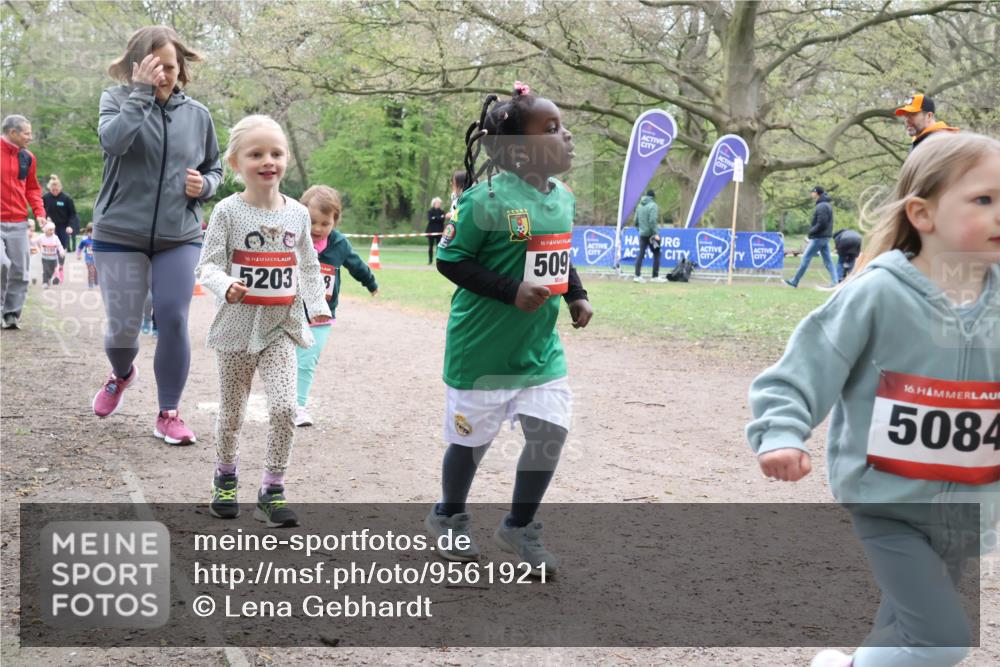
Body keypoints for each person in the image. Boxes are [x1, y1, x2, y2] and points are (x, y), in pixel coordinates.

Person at [747, 132, 1000, 667]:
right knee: (941, 639)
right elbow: (798, 373)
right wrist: (781, 432)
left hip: (965, 511)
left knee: (906, 629)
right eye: (984, 199)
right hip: (889, 504)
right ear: (922, 214)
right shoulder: (877, 293)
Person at [427, 82, 594, 573]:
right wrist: (510, 290)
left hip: (539, 351)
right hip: (482, 351)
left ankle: (519, 527)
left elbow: (557, 250)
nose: (566, 135)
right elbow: (450, 260)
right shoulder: (485, 200)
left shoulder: (563, 197)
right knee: (470, 444)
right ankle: (448, 515)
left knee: (550, 434)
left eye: (563, 126)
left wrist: (576, 293)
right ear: (518, 150)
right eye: (552, 128)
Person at [89, 26, 223, 447]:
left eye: (170, 66)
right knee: (122, 330)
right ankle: (121, 374)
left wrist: (206, 185)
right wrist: (141, 95)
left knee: (174, 317)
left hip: (179, 235)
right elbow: (114, 143)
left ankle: (169, 413)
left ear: (180, 67)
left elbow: (216, 168)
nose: (164, 75)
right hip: (118, 232)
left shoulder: (198, 115)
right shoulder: (116, 100)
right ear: (136, 67)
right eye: (154, 67)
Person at [195, 115, 331, 527]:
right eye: (256, 154)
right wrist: (226, 284)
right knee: (232, 412)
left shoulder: (298, 214)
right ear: (236, 163)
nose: (268, 161)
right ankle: (225, 478)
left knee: (287, 407)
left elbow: (308, 265)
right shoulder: (227, 212)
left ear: (286, 158)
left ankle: (272, 490)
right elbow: (207, 266)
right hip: (236, 328)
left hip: (280, 327)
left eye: (276, 153)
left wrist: (316, 304)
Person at [294, 185, 379, 427]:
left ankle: (298, 407)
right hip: (292, 310)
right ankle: (283, 399)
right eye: (312, 222)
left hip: (322, 314)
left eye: (325, 223)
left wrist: (371, 283)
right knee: (287, 358)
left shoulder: (339, 244)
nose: (317, 229)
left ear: (335, 221)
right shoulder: (293, 239)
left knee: (307, 360)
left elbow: (356, 265)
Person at [1, 114, 49, 330]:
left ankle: (11, 313)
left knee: (20, 271)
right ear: (13, 133)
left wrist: (39, 212)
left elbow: (32, 189)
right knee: (2, 264)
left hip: (19, 223)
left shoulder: (28, 157)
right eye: (27, 133)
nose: (30, 137)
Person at [786, 186, 839, 288]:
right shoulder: (826, 204)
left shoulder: (822, 206)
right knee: (828, 261)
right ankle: (835, 282)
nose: (811, 194)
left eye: (812, 192)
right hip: (824, 237)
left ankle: (794, 281)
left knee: (805, 258)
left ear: (817, 193)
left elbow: (821, 223)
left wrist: (811, 232)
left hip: (819, 238)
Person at [42, 175, 80, 260]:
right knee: (52, 245)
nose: (55, 192)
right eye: (53, 190)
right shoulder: (45, 198)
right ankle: (52, 264)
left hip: (63, 226)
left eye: (57, 190)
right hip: (50, 225)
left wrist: (70, 226)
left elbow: (72, 214)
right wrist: (46, 217)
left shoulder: (66, 198)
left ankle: (61, 265)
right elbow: (41, 210)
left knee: (62, 247)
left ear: (60, 188)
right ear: (50, 188)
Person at [633, 189, 662, 283]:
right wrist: (656, 233)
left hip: (642, 234)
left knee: (641, 254)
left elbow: (635, 221)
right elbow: (652, 220)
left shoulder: (639, 206)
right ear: (653, 197)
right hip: (652, 236)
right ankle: (655, 276)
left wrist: (640, 230)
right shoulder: (653, 205)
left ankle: (637, 275)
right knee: (656, 253)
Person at [32, 222, 65, 288]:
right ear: (46, 230)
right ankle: (45, 283)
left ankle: (49, 278)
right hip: (45, 258)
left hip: (54, 258)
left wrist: (61, 251)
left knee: (52, 271)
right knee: (46, 270)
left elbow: (59, 246)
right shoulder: (42, 236)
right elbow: (33, 241)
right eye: (50, 230)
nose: (52, 231)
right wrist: (35, 246)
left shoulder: (55, 238)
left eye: (53, 230)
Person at [425, 196, 446, 264]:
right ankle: (430, 260)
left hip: (439, 231)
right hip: (431, 231)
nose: (438, 204)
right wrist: (439, 218)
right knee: (430, 246)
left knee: (439, 247)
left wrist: (435, 218)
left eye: (439, 203)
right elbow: (430, 219)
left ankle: (438, 260)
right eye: (437, 203)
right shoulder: (430, 211)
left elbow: (442, 220)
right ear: (434, 203)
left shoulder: (442, 211)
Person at [76, 224, 97, 288]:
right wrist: (78, 255)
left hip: (96, 259)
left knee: (95, 271)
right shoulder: (84, 241)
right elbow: (79, 248)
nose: (91, 234)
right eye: (89, 232)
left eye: (93, 232)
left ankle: (95, 281)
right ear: (87, 232)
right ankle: (90, 284)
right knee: (91, 271)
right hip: (88, 258)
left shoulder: (97, 241)